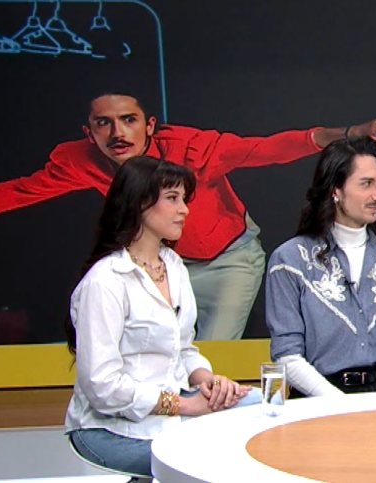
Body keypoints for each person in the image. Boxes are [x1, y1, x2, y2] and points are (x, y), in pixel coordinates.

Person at [0, 93, 376, 341]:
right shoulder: (80, 161)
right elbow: (18, 192)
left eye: (128, 120)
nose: (117, 132)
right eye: (103, 123)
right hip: (164, 266)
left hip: (230, 259)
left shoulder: (192, 149)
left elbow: (270, 148)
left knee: (208, 357)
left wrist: (347, 134)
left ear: (150, 125)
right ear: (89, 132)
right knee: (161, 356)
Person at [64, 155, 260, 478]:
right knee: (213, 459)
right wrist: (187, 406)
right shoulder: (106, 281)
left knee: (262, 408)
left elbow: (183, 348)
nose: (184, 210)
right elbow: (102, 386)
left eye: (184, 199)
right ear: (139, 203)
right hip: (111, 428)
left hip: (173, 408)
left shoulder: (173, 265)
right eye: (172, 198)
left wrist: (208, 382)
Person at [265, 137, 376, 397]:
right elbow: (286, 356)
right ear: (335, 190)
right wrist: (343, 407)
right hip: (316, 402)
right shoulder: (289, 261)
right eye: (366, 184)